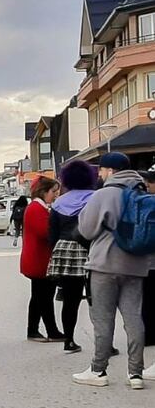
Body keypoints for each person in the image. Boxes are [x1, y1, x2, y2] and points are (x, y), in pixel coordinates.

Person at [74, 152, 147, 388]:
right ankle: (135, 373)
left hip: (105, 263)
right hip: (136, 264)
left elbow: (86, 230)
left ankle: (98, 371)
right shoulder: (142, 193)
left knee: (103, 320)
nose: (100, 174)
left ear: (111, 171)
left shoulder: (103, 195)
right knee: (134, 318)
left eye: (102, 170)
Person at [47, 161, 97, 354]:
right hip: (91, 250)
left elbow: (52, 233)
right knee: (98, 298)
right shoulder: (94, 198)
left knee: (70, 300)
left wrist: (54, 253)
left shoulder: (59, 202)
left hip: (64, 249)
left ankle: (69, 339)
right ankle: (105, 343)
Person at [20, 176, 64, 343]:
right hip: (40, 260)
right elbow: (46, 232)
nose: (56, 195)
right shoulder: (37, 209)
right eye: (53, 191)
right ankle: (51, 331)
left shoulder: (37, 207)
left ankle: (34, 330)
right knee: (44, 297)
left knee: (39, 297)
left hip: (37, 259)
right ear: (44, 191)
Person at [141, 171, 155, 347]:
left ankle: (149, 334)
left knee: (148, 299)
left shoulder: (146, 203)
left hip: (148, 260)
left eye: (149, 183)